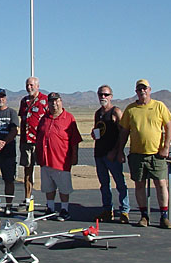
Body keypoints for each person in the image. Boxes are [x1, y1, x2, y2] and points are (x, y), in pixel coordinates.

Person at [117, 79, 171, 229]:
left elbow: (169, 126)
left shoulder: (159, 106)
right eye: (139, 89)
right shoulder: (131, 109)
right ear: (136, 91)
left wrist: (166, 147)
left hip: (156, 154)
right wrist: (120, 150)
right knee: (139, 185)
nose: (142, 91)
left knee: (161, 183)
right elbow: (124, 132)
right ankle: (144, 216)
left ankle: (164, 216)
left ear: (150, 90)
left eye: (144, 88)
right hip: (137, 154)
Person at [35, 92, 82, 221]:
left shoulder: (68, 118)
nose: (54, 104)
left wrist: (74, 156)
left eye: (56, 101)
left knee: (63, 187)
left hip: (61, 161)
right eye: (51, 101)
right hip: (46, 160)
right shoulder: (44, 119)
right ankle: (50, 208)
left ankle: (64, 210)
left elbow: (75, 140)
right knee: (48, 187)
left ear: (61, 102)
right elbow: (38, 137)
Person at [91, 85, 130, 224]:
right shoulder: (98, 113)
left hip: (112, 154)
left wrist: (118, 151)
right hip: (99, 153)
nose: (103, 97)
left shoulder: (116, 112)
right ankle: (107, 209)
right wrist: (94, 133)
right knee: (104, 184)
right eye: (101, 94)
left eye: (106, 94)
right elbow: (99, 129)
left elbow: (123, 133)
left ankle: (125, 210)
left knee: (120, 182)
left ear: (111, 96)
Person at [17, 77, 48, 211]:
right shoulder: (24, 101)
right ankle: (28, 198)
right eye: (27, 85)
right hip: (25, 141)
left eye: (31, 85)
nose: (29, 87)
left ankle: (50, 201)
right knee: (27, 171)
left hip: (40, 142)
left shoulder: (45, 100)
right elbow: (22, 118)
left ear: (37, 85)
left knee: (46, 172)